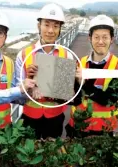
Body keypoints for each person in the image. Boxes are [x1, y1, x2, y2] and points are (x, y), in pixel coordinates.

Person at [15, 3, 81, 139]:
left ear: (60, 29)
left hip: (55, 118)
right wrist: (28, 81)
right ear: (39, 26)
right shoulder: (24, 55)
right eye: (46, 25)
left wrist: (76, 81)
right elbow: (17, 94)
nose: (50, 30)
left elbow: (67, 95)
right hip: (29, 117)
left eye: (56, 26)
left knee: (51, 155)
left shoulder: (66, 55)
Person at [66, 14, 118, 138]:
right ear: (90, 38)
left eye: (105, 37)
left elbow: (109, 99)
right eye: (96, 37)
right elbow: (74, 98)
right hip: (78, 126)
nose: (100, 42)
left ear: (112, 39)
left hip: (103, 132)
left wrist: (84, 83)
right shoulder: (80, 62)